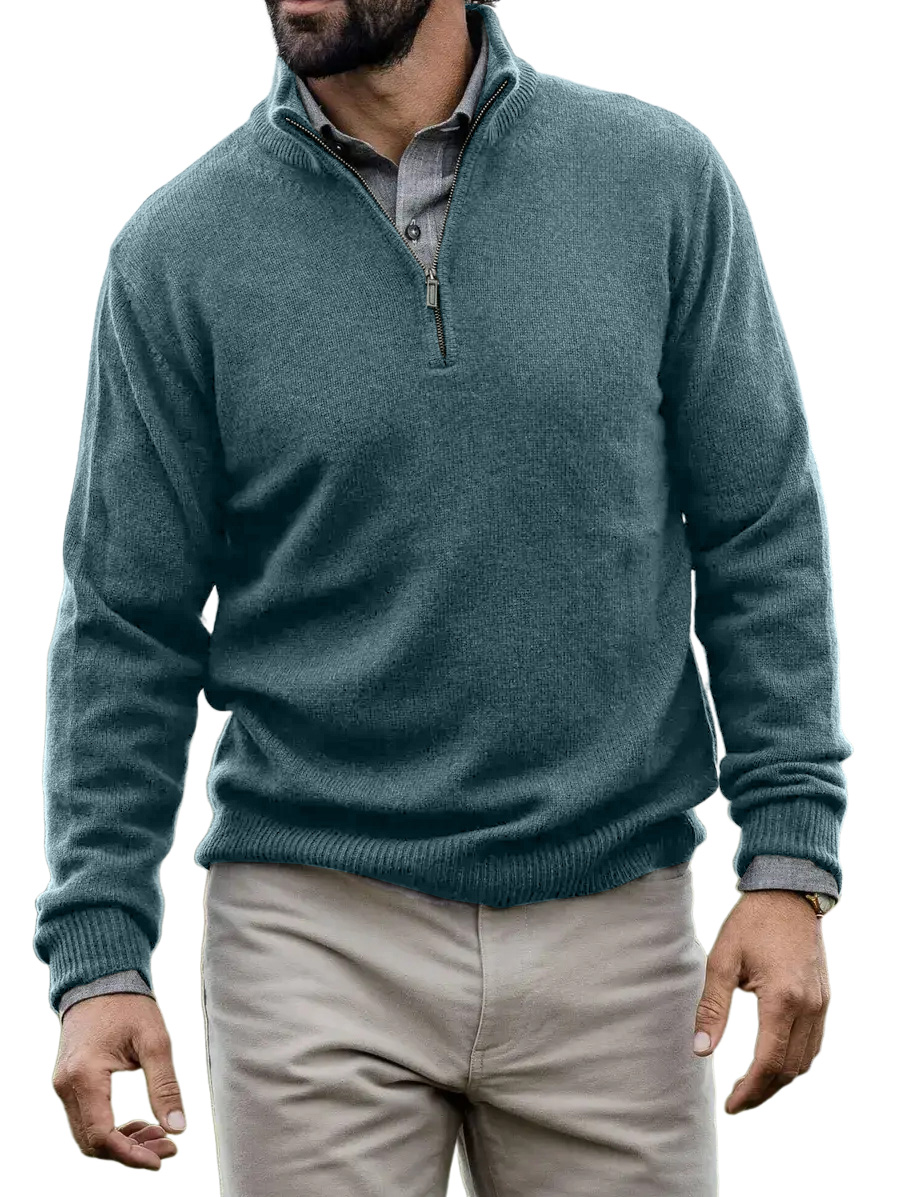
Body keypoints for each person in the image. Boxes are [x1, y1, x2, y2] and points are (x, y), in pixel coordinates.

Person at [34, 1, 851, 1192]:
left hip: (614, 928)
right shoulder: (177, 251)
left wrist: (787, 862)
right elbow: (124, 623)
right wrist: (98, 949)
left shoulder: (655, 181)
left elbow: (759, 528)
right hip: (311, 934)